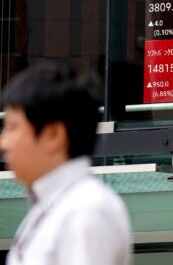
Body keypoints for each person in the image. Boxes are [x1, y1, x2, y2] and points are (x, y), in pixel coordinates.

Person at [1, 61, 132, 265]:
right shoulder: (54, 207)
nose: (3, 143)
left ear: (53, 135)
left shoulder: (84, 211)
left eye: (12, 127)